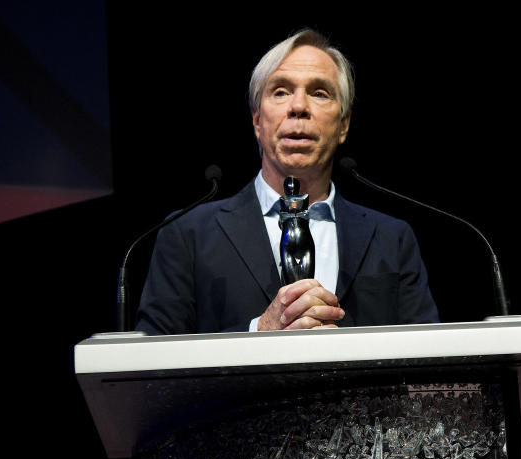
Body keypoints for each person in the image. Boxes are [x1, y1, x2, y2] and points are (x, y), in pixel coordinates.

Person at [135, 29, 438, 334]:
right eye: (280, 91)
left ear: (344, 124)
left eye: (319, 93)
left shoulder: (392, 238)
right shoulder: (187, 234)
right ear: (257, 119)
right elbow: (150, 366)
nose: (299, 107)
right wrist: (258, 334)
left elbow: (428, 362)